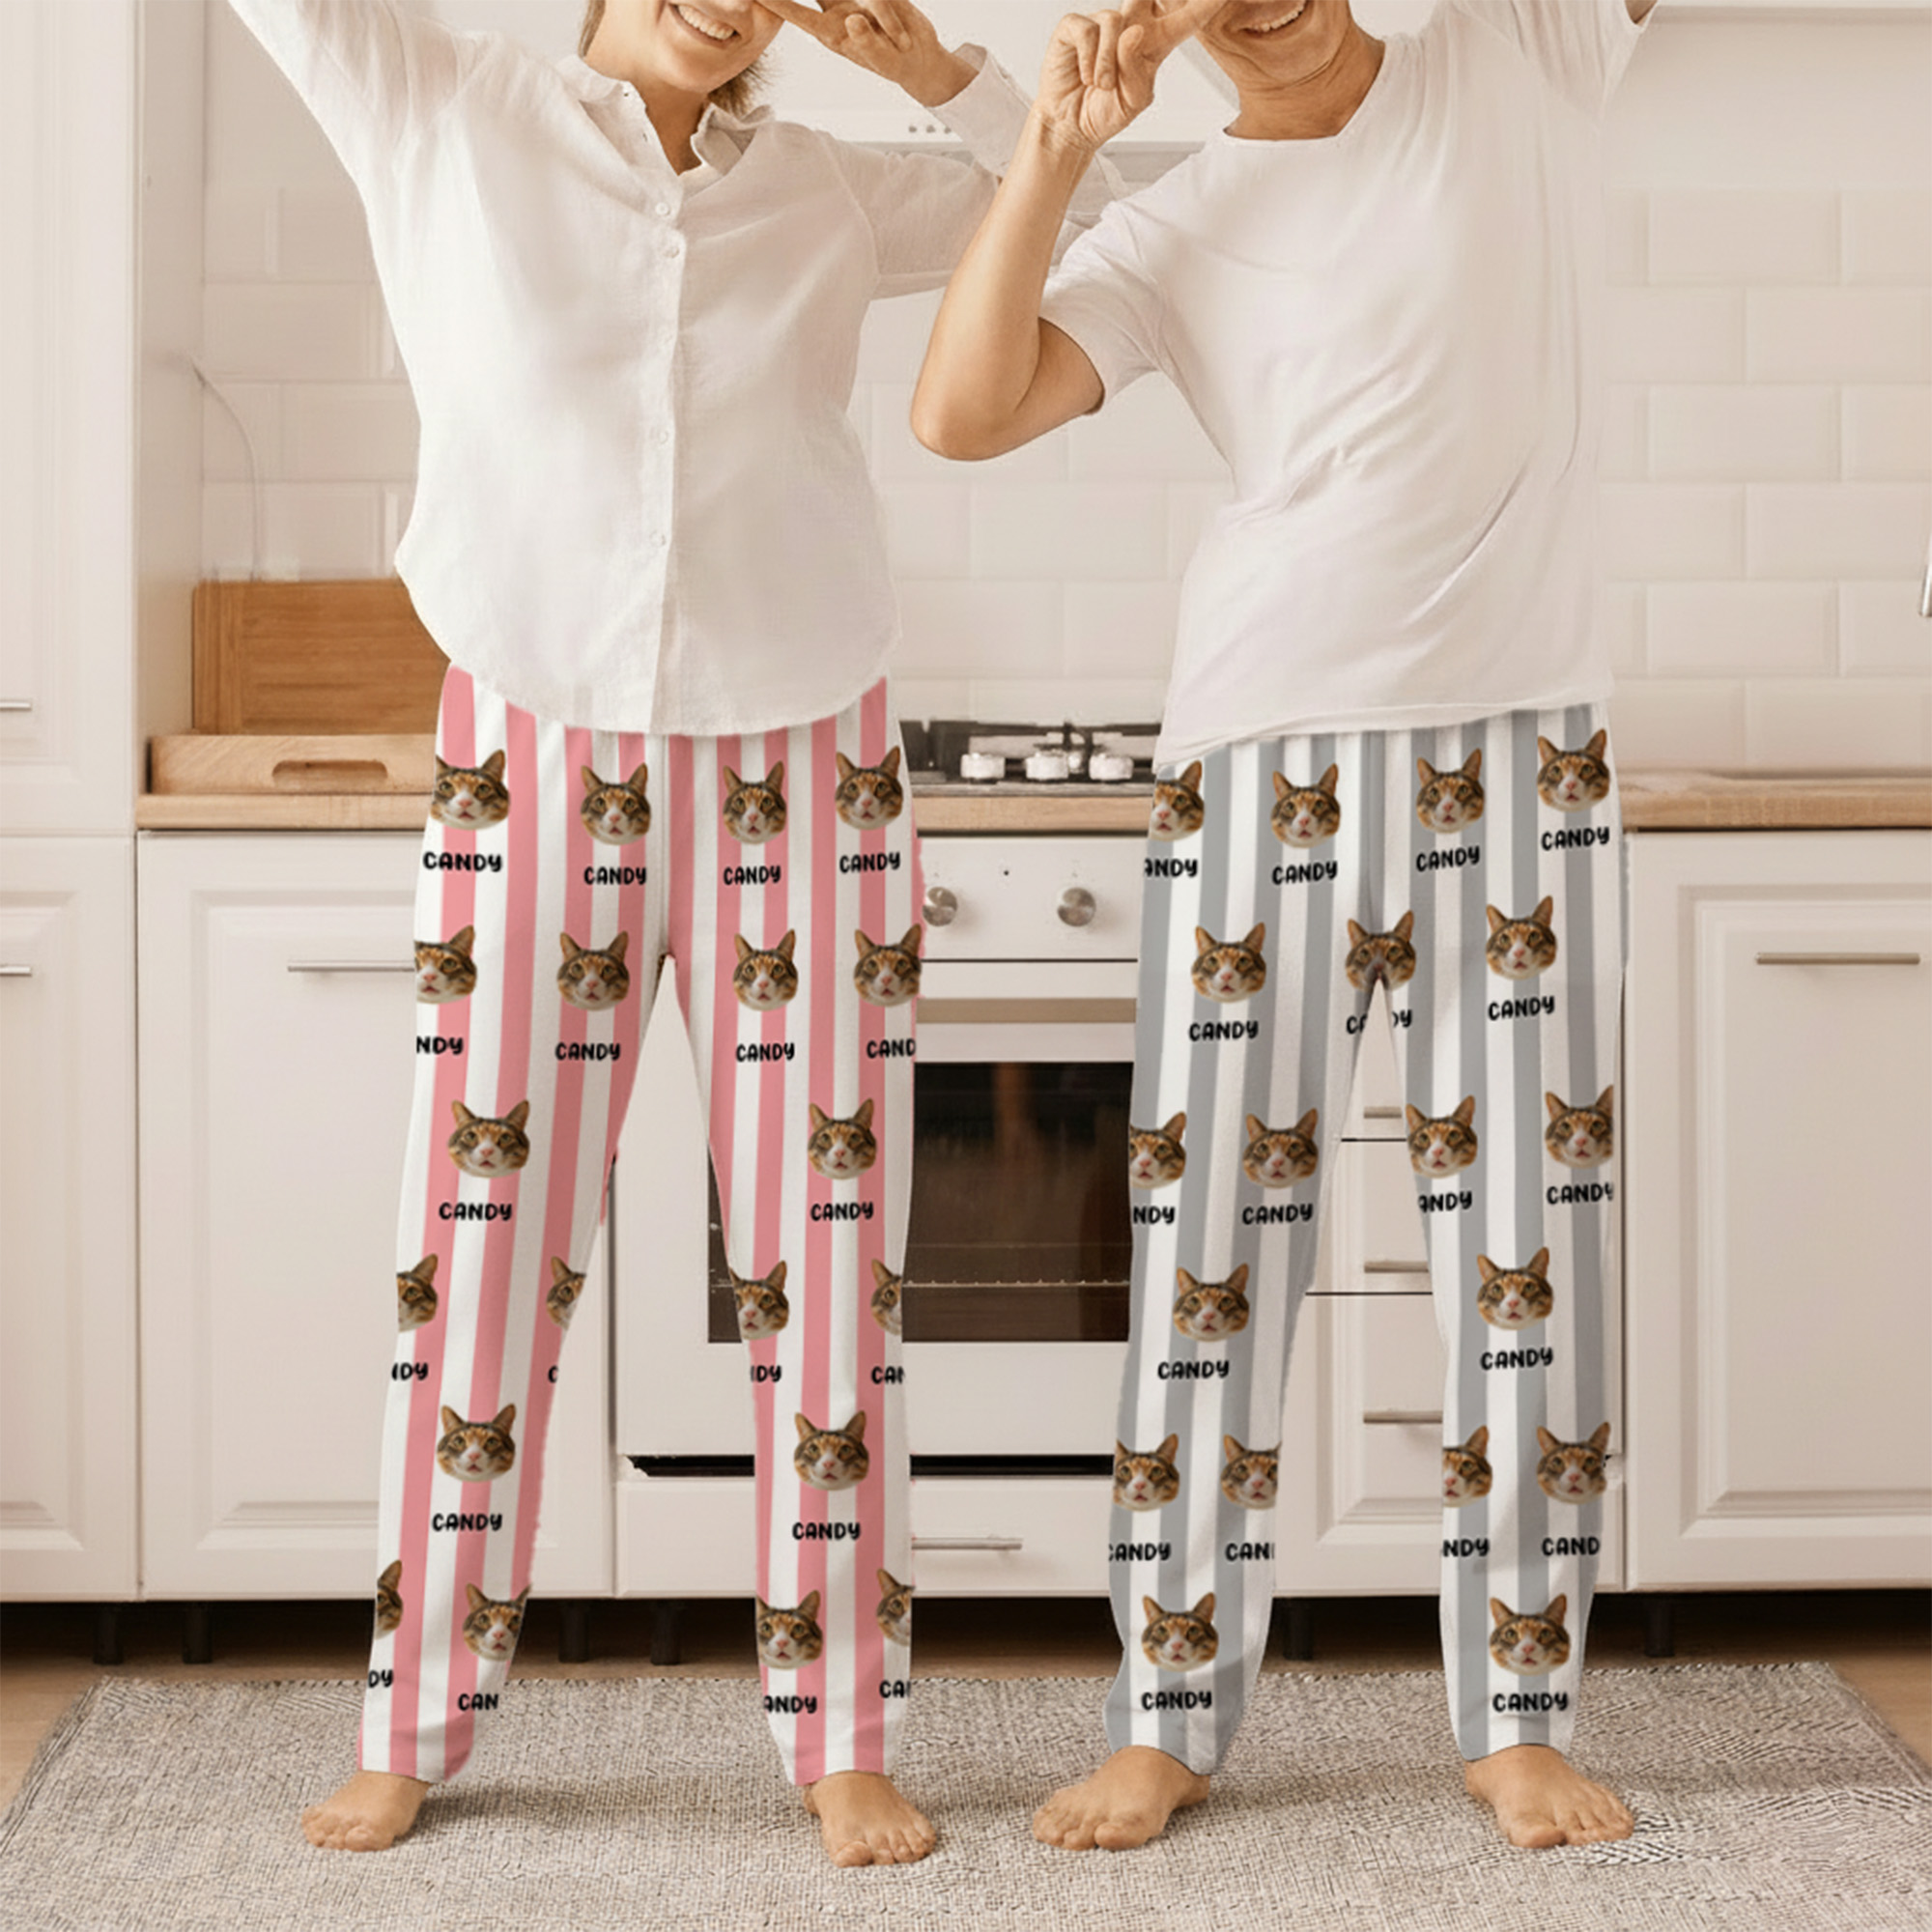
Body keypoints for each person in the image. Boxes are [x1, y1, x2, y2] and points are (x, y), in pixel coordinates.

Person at [228, 0, 1108, 1869]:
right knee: (478, 1244)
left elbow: (1071, 192)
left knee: (830, 1256)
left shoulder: (828, 186)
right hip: (532, 740)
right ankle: (414, 1715)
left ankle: (843, 1728)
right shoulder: (446, 108)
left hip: (811, 740)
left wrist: (943, 71)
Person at [914, 0, 1654, 1853]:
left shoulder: (1524, 48)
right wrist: (1058, 151)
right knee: (1209, 1253)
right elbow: (962, 411)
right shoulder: (1172, 222)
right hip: (1260, 748)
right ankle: (1168, 1718)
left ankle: (1517, 1717)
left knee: (1527, 1257)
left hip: (1521, 743)